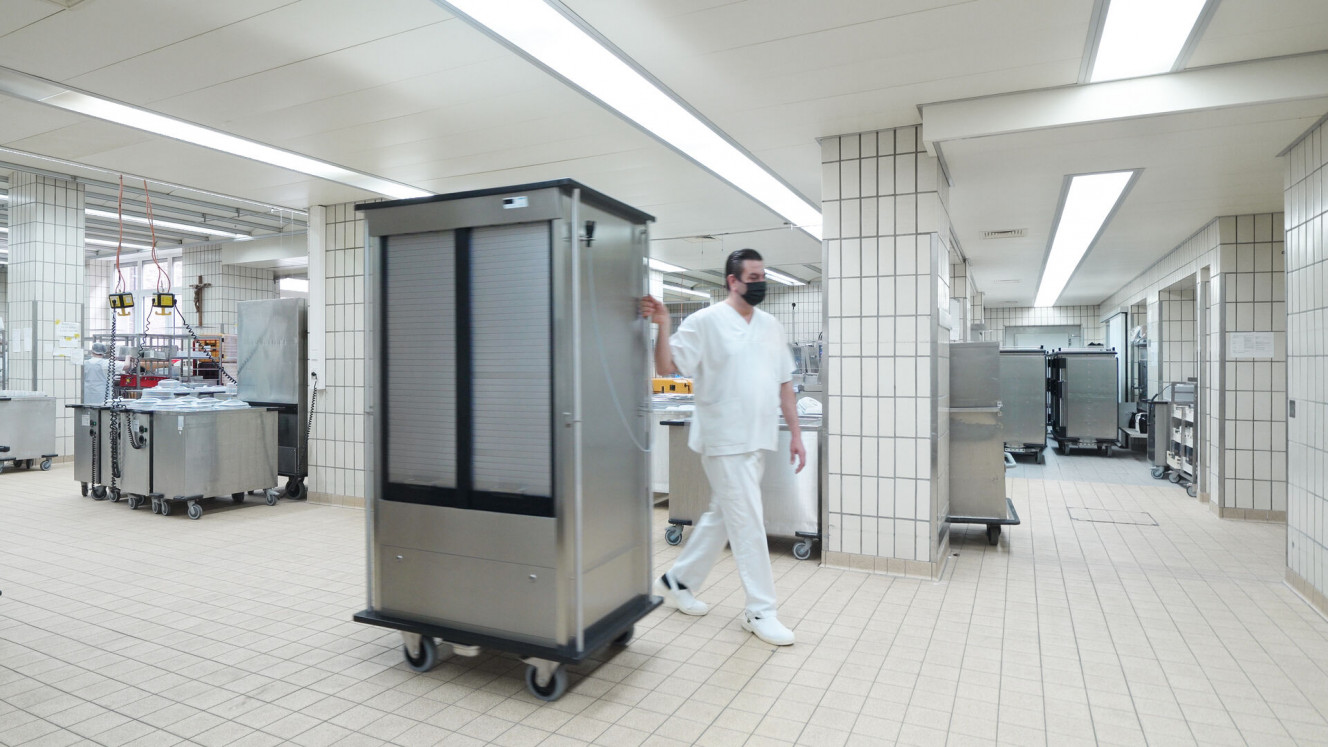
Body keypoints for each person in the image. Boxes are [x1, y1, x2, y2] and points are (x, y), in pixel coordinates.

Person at [640, 248, 806, 646]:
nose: (760, 283)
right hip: (723, 439)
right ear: (733, 281)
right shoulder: (706, 321)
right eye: (753, 277)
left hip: (757, 439)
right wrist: (663, 324)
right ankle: (761, 610)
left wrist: (796, 434)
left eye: (763, 276)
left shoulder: (769, 325)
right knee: (748, 521)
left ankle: (678, 581)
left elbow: (785, 383)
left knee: (724, 514)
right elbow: (667, 367)